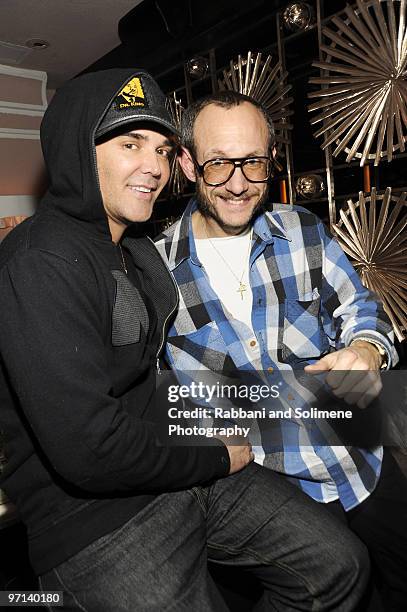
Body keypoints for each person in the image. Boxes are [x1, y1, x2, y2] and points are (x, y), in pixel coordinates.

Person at [154, 90, 407, 611]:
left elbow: (361, 309)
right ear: (186, 163)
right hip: (275, 492)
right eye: (218, 163)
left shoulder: (302, 231)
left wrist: (366, 349)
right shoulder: (154, 272)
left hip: (362, 457)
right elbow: (171, 407)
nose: (238, 182)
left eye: (254, 163)